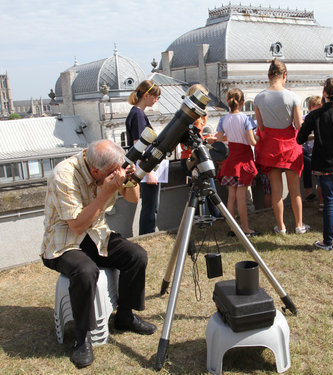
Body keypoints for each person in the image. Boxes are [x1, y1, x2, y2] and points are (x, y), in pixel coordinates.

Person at [41, 140, 157, 369]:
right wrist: (105, 193)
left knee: (136, 255)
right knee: (85, 271)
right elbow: (76, 225)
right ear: (95, 171)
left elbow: (134, 199)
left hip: (96, 234)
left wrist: (131, 179)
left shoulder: (108, 166)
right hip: (63, 241)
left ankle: (125, 315)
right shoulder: (63, 175)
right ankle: (82, 338)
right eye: (113, 171)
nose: (117, 173)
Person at [297, 78, 333, 250]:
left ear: (324, 93)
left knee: (329, 200)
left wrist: (316, 136)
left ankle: (327, 241)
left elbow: (300, 138)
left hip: (323, 163)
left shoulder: (314, 115)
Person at [254, 59, 309, 235]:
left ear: (269, 75)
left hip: (270, 147)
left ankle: (281, 227)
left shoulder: (259, 98)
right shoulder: (292, 97)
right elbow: (299, 126)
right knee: (295, 190)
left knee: (276, 191)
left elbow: (260, 127)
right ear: (284, 75)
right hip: (290, 147)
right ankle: (299, 225)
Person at [125, 79, 168, 235]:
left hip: (143, 167)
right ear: (147, 95)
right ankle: (147, 234)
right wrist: (148, 172)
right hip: (145, 168)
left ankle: (147, 233)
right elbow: (139, 145)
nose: (156, 100)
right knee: (150, 206)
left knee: (150, 205)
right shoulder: (138, 115)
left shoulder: (136, 113)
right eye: (155, 97)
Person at [216, 88, 260, 237]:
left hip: (230, 160)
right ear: (242, 102)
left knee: (231, 197)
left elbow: (220, 140)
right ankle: (245, 228)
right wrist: (260, 138)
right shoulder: (246, 119)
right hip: (243, 160)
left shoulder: (223, 119)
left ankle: (232, 228)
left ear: (228, 101)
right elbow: (252, 142)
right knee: (242, 197)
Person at [180, 83, 222, 218]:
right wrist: (205, 140)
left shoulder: (189, 113)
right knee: (208, 189)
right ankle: (215, 214)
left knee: (203, 189)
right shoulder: (194, 117)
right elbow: (191, 139)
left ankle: (210, 215)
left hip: (192, 157)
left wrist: (204, 139)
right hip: (193, 159)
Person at [302, 96, 324, 204]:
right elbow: (302, 137)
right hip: (306, 150)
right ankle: (309, 192)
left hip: (316, 150)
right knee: (309, 163)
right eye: (318, 107)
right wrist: (315, 136)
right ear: (311, 107)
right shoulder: (306, 118)